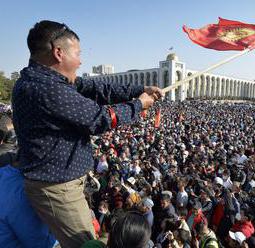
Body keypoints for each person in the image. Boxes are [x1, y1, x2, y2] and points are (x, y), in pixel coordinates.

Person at [12, 20, 163, 248]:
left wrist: (138, 89)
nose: (81, 60)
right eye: (78, 53)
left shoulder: (44, 80)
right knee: (86, 243)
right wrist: (138, 105)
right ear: (59, 53)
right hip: (58, 188)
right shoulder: (46, 89)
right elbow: (100, 119)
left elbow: (96, 88)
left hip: (59, 180)